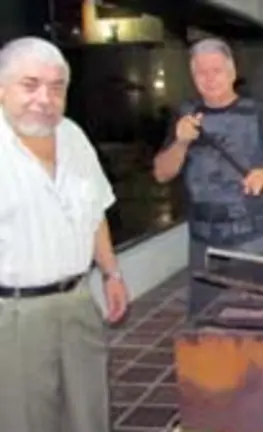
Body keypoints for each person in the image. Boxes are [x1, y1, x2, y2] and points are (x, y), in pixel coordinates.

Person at [0, 36, 129, 432]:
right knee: (25, 420)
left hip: (78, 303)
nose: (45, 98)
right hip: (15, 316)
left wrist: (111, 273)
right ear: (1, 88)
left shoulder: (72, 136)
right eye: (30, 85)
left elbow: (95, 210)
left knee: (89, 415)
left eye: (57, 88)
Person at [153, 38, 263, 316]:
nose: (209, 79)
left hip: (252, 237)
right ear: (193, 76)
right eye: (201, 72)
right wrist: (180, 142)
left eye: (216, 70)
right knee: (206, 318)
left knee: (259, 316)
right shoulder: (185, 117)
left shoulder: (257, 113)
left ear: (232, 72)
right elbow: (161, 173)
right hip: (203, 240)